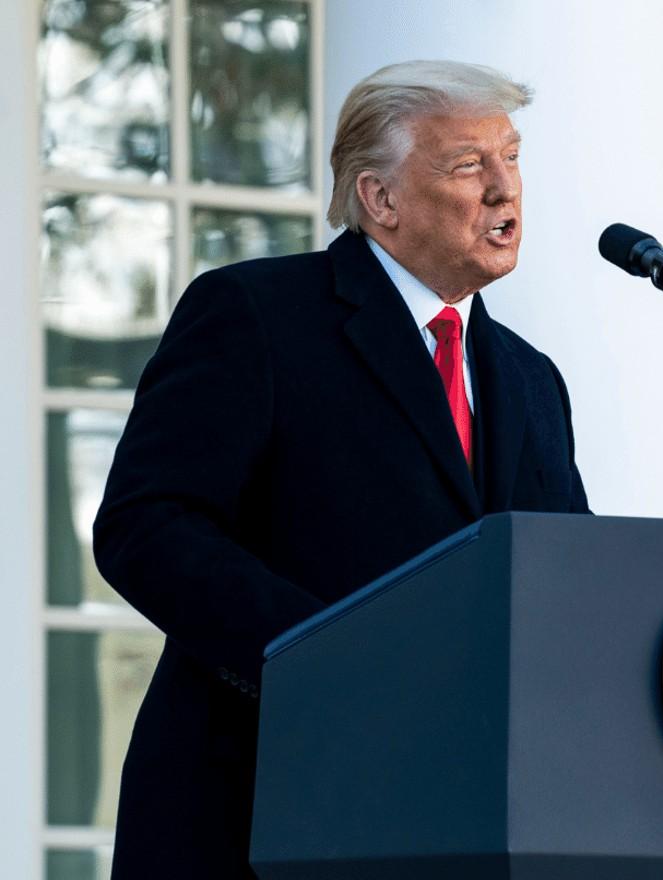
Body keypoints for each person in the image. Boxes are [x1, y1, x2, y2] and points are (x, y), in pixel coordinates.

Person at [94, 60, 589, 878]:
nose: (505, 189)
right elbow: (147, 526)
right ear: (379, 198)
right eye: (469, 164)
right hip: (260, 805)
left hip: (457, 822)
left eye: (511, 157)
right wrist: (329, 657)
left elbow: (564, 576)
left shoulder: (530, 378)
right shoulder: (256, 315)